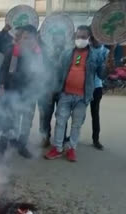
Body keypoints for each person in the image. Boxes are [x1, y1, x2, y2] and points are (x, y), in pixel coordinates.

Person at [45, 26, 114, 162]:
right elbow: (59, 73)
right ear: (74, 37)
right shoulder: (66, 54)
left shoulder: (95, 56)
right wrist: (53, 89)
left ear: (89, 38)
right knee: (60, 121)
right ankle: (58, 148)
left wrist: (108, 68)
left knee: (76, 124)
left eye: (83, 37)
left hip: (82, 97)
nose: (80, 39)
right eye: (78, 36)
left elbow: (101, 74)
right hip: (65, 94)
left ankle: (71, 149)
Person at [0, 25, 48, 159]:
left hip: (29, 94)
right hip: (13, 91)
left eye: (29, 38)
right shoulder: (13, 51)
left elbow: (41, 74)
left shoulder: (38, 53)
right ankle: (0, 150)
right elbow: (3, 69)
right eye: (24, 37)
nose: (26, 40)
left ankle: (21, 146)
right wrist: (2, 85)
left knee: (26, 123)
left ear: (35, 37)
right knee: (9, 121)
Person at [38, 30, 69, 148]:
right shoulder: (46, 54)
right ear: (52, 40)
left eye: (60, 39)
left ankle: (61, 139)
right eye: (56, 39)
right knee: (46, 116)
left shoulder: (69, 54)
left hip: (63, 91)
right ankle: (45, 137)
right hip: (47, 90)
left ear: (64, 40)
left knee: (63, 116)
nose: (58, 41)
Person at [89, 34, 110, 150]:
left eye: (97, 37)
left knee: (95, 113)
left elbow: (104, 74)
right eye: (92, 38)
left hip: (96, 87)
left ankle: (95, 139)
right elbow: (77, 63)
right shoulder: (85, 50)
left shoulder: (106, 52)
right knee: (75, 113)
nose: (94, 40)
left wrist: (107, 63)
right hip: (82, 86)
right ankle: (69, 137)